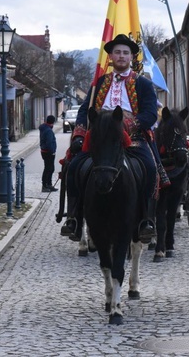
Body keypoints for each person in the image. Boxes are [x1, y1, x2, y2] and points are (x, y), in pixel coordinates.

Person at [62, 34, 167, 242]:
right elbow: (85, 110)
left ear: (131, 57)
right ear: (110, 56)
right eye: (117, 52)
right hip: (101, 141)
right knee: (73, 168)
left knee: (150, 168)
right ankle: (74, 218)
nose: (121, 56)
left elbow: (150, 113)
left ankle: (146, 220)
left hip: (134, 139)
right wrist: (80, 134)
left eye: (125, 53)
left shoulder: (144, 85)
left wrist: (128, 124)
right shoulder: (99, 84)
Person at [39, 115, 57, 192]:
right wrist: (52, 151)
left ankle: (48, 185)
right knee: (49, 169)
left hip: (44, 151)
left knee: (49, 168)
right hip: (48, 152)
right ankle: (46, 185)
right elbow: (49, 142)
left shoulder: (44, 128)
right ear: (53, 122)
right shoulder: (49, 131)